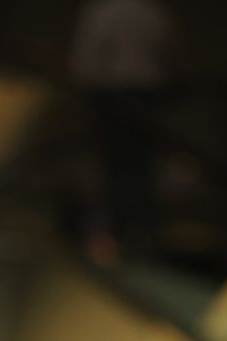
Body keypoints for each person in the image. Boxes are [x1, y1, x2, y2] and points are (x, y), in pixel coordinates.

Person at [68, 0, 177, 260]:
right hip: (143, 96)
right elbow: (171, 58)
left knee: (118, 166)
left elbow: (86, 62)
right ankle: (137, 236)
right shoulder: (153, 13)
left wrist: (86, 90)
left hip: (113, 95)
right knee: (138, 166)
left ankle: (123, 236)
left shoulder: (105, 13)